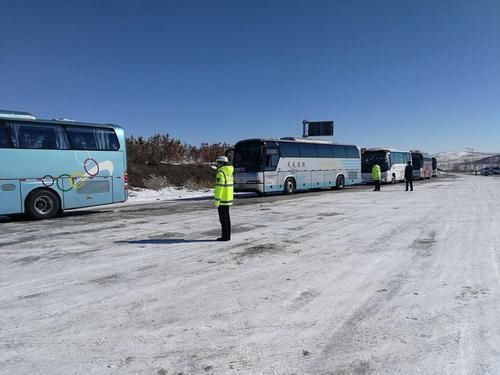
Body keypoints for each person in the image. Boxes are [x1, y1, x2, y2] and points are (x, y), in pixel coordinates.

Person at [214, 156, 234, 241]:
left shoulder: (221, 173)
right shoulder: (228, 172)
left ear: (222, 163)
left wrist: (217, 200)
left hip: (222, 200)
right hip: (228, 199)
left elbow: (219, 188)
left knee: (223, 220)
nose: (217, 165)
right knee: (227, 219)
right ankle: (227, 236)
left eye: (218, 163)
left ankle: (224, 237)